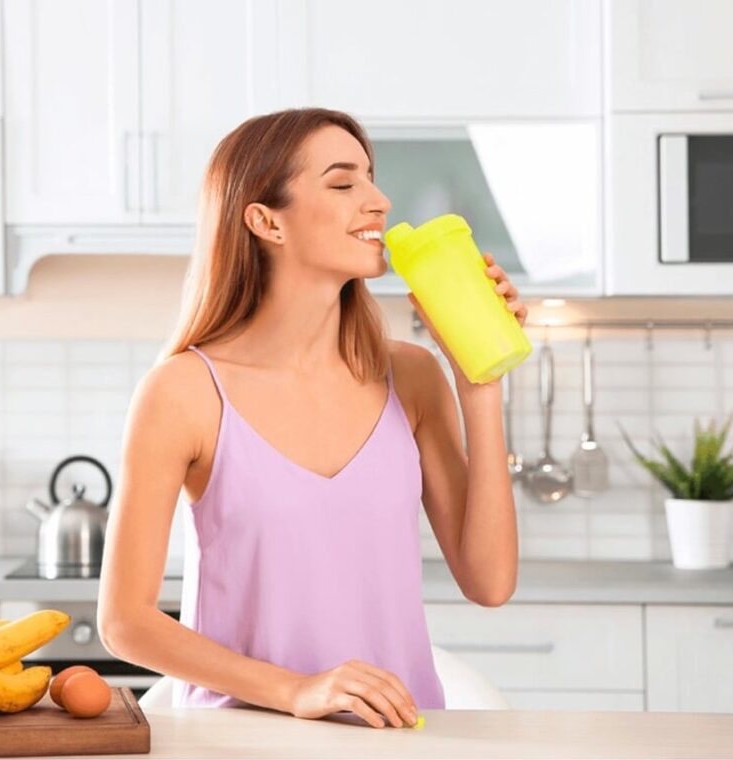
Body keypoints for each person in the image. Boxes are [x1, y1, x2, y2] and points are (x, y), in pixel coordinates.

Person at [98, 107, 527, 730]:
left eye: (372, 177)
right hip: (238, 740)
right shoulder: (183, 392)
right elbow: (124, 622)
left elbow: (490, 582)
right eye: (343, 182)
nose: (378, 200)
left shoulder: (411, 379)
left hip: (396, 741)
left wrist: (479, 381)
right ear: (265, 220)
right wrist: (297, 690)